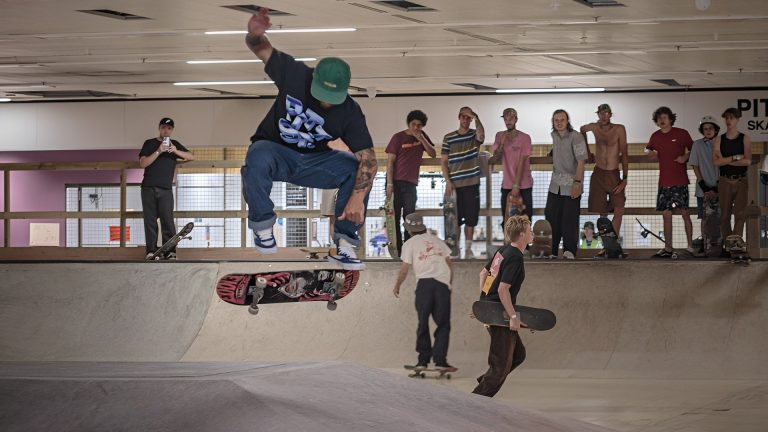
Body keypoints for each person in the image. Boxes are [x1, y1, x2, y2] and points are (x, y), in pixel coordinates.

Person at [240, 8, 377, 270]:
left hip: (315, 162)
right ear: (313, 77)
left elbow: (369, 159)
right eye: (322, 94)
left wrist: (358, 197)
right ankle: (262, 226)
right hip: (276, 153)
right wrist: (254, 33)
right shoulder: (294, 74)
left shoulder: (350, 112)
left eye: (332, 99)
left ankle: (344, 243)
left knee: (354, 168)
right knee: (257, 153)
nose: (325, 102)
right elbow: (260, 48)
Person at [472, 215, 533, 398]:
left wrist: (483, 303)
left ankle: (487, 380)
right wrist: (513, 317)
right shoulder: (515, 257)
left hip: (492, 311)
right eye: (530, 231)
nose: (532, 234)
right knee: (500, 365)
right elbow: (503, 289)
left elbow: (483, 274)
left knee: (518, 355)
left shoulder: (503, 251)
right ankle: (475, 400)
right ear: (522, 235)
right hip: (499, 314)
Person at [393, 213, 455, 371]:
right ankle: (440, 361)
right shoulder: (437, 240)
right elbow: (449, 264)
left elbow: (405, 268)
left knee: (423, 323)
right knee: (443, 324)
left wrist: (398, 284)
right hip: (442, 285)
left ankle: (423, 361)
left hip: (424, 286)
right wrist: (449, 284)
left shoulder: (409, 244)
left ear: (408, 230)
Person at [138, 117, 195, 260]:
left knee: (167, 221)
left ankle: (169, 251)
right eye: (163, 127)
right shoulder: (150, 143)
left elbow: (191, 157)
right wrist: (158, 151)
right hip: (148, 188)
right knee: (150, 221)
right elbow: (143, 163)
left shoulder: (174, 144)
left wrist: (175, 151)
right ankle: (151, 250)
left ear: (172, 130)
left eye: (169, 128)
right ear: (159, 128)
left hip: (166, 189)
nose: (166, 130)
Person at [385, 110, 436, 256]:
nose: (416, 128)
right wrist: (389, 184)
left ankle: (409, 249)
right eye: (413, 124)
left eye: (419, 125)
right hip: (395, 182)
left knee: (409, 217)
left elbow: (432, 153)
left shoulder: (422, 136)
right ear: (409, 123)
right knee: (393, 217)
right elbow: (390, 162)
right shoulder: (398, 137)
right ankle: (397, 249)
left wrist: (422, 139)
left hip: (411, 183)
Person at [645, 106, 694, 257]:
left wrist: (685, 157)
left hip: (680, 180)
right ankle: (668, 247)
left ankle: (690, 246)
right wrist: (650, 153)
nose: (662, 120)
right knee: (666, 214)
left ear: (671, 119)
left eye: (665, 117)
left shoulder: (682, 133)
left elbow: (694, 149)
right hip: (664, 182)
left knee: (685, 213)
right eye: (659, 118)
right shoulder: (655, 136)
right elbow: (647, 149)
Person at [580, 104, 628, 243]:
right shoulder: (594, 127)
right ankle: (607, 244)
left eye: (606, 113)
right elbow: (582, 130)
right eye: (601, 113)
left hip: (613, 173)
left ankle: (613, 241)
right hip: (599, 172)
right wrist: (587, 152)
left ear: (610, 115)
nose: (604, 116)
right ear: (598, 114)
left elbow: (625, 154)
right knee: (602, 211)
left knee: (619, 208)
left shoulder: (619, 129)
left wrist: (625, 178)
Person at [441, 107, 485, 258]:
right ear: (459, 118)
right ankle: (456, 249)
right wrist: (448, 181)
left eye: (469, 117)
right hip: (454, 184)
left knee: (471, 219)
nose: (466, 120)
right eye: (464, 117)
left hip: (472, 183)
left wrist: (477, 116)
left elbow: (481, 135)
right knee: (455, 219)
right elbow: (444, 162)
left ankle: (468, 249)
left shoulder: (474, 135)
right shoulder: (449, 137)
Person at [545, 109, 588, 259]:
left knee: (569, 219)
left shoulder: (576, 137)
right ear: (553, 122)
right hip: (555, 185)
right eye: (556, 120)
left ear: (567, 121)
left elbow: (581, 161)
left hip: (571, 184)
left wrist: (577, 184)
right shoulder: (554, 135)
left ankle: (569, 251)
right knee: (551, 216)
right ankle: (552, 251)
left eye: (562, 120)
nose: (559, 123)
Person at [713, 107, 752, 242]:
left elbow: (747, 160)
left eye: (732, 118)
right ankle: (727, 242)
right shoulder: (719, 139)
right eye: (727, 118)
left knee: (740, 213)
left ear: (737, 119)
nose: (729, 121)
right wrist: (735, 158)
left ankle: (736, 241)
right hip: (724, 180)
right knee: (724, 215)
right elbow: (716, 162)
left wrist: (726, 160)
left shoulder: (744, 138)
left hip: (741, 180)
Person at [491, 108, 533, 224]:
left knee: (526, 217)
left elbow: (522, 161)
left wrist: (516, 185)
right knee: (507, 219)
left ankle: (525, 242)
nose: (508, 121)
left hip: (524, 184)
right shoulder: (499, 136)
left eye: (511, 118)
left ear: (516, 119)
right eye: (505, 119)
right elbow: (495, 158)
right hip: (507, 184)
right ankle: (509, 242)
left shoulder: (525, 138)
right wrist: (502, 143)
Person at [688, 116, 721, 251]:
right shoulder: (697, 144)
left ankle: (719, 245)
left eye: (710, 128)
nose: (708, 131)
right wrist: (704, 186)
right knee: (704, 217)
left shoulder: (722, 143)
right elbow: (695, 165)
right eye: (705, 129)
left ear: (716, 130)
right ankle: (704, 244)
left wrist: (718, 187)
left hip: (721, 187)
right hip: (703, 188)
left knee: (720, 217)